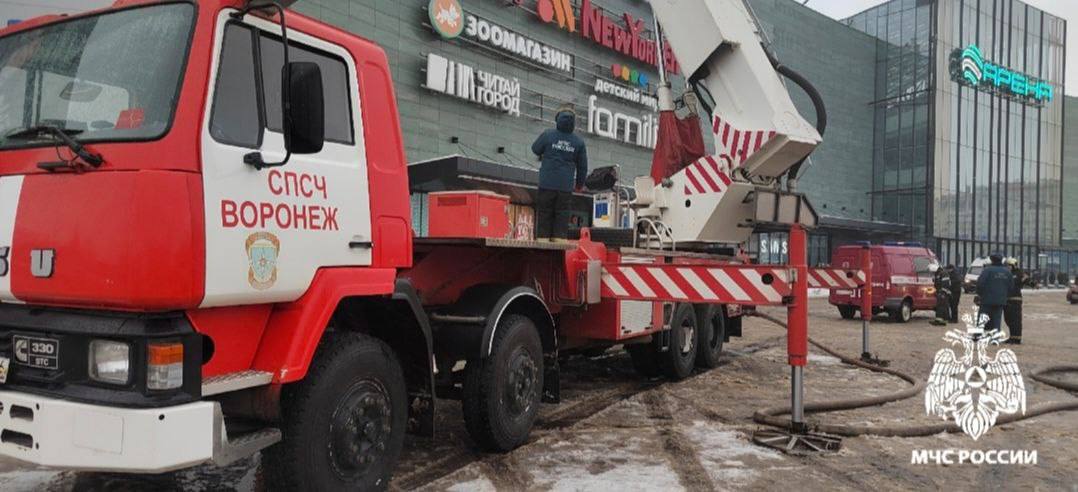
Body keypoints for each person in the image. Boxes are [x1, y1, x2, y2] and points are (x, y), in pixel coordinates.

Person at [531, 104, 588, 240]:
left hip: (546, 183)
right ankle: (559, 240)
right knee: (562, 214)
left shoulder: (548, 135)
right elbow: (582, 167)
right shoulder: (579, 142)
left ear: (557, 119)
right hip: (565, 186)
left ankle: (543, 241)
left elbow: (535, 149)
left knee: (545, 212)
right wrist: (579, 185)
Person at [975, 253, 1013, 334]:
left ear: (992, 260)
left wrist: (979, 294)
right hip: (1000, 301)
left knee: (982, 319)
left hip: (986, 300)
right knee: (997, 321)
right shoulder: (1007, 272)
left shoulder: (987, 270)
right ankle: (995, 336)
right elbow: (1011, 286)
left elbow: (980, 283)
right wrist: (1005, 296)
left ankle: (978, 335)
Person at [1003, 258, 1024, 344]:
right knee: (1008, 319)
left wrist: (1033, 283)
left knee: (1015, 320)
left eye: (1008, 265)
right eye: (1006, 265)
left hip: (1015, 300)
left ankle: (1017, 338)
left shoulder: (1019, 273)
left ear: (1013, 266)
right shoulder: (1006, 274)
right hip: (1007, 299)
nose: (1007, 267)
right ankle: (1012, 336)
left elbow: (1026, 280)